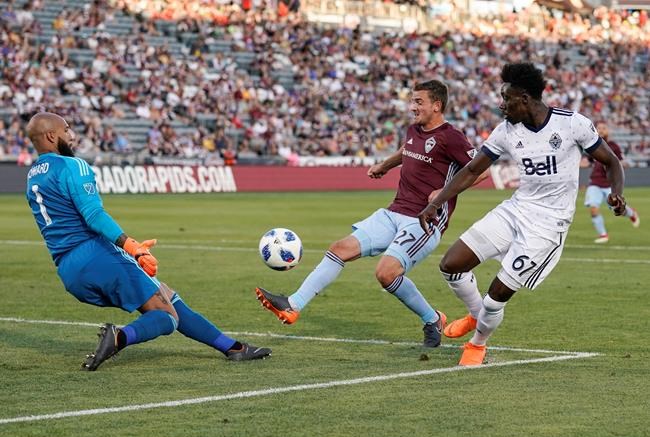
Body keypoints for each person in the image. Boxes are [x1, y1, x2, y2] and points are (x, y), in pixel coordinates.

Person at [25, 112, 271, 371]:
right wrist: (133, 247)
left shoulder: (33, 177)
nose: (72, 136)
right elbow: (94, 215)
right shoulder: (72, 166)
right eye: (66, 130)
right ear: (51, 136)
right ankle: (119, 338)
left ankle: (233, 348)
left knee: (166, 295)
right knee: (167, 316)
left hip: (69, 271)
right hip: (97, 255)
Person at [418, 63, 627, 366]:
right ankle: (476, 315)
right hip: (516, 210)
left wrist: (616, 192)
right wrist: (436, 202)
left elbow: (611, 161)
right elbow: (472, 169)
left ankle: (477, 344)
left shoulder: (572, 124)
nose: (501, 105)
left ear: (525, 98)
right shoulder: (506, 131)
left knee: (496, 294)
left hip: (548, 225)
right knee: (451, 265)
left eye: (507, 99)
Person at [256, 80, 485, 348]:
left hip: (424, 220)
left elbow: (481, 171)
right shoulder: (414, 129)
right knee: (339, 249)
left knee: (386, 273)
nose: (413, 107)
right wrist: (385, 165)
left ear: (437, 105)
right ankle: (293, 305)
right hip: (394, 210)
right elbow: (408, 149)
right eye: (412, 101)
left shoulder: (451, 137)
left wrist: (444, 192)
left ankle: (432, 319)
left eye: (418, 102)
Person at [582, 122, 639, 243]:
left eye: (604, 128)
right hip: (595, 183)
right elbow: (589, 160)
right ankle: (603, 235)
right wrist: (582, 163)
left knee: (618, 209)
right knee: (593, 209)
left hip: (609, 184)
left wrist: (623, 164)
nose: (601, 130)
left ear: (608, 131)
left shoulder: (614, 146)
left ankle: (631, 213)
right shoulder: (591, 144)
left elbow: (621, 162)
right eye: (599, 128)